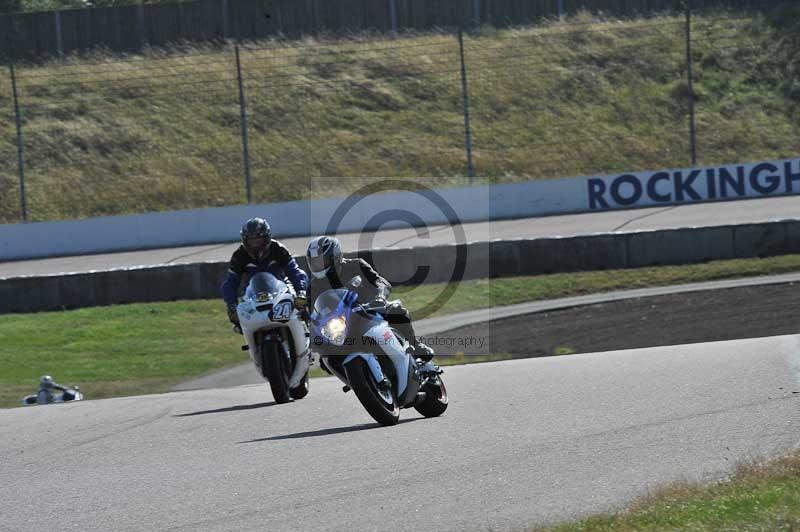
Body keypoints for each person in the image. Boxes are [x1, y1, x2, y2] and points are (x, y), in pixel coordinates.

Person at [304, 235, 438, 374]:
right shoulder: (314, 287)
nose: (318, 265)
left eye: (322, 261)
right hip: (341, 325)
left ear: (335, 256)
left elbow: (381, 282)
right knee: (326, 360)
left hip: (370, 310)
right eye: (315, 262)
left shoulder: (356, 265)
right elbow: (312, 315)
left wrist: (380, 297)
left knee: (397, 310)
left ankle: (415, 345)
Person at [221, 218, 309, 329]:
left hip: (282, 290)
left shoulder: (278, 249)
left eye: (257, 240)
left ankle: (306, 334)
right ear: (244, 239)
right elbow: (230, 283)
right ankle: (251, 343)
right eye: (251, 240)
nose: (254, 244)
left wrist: (301, 291)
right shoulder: (239, 255)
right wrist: (231, 306)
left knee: (301, 309)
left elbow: (295, 272)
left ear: (266, 238)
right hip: (252, 296)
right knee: (239, 325)